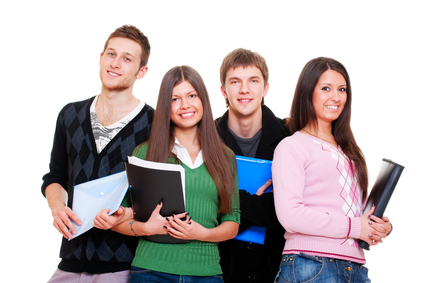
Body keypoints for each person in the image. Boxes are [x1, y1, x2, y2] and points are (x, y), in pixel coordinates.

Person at [94, 65, 241, 282]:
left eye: (192, 95)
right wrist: (145, 227)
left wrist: (202, 233)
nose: (185, 105)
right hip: (151, 271)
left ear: (203, 100)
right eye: (175, 99)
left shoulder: (225, 157)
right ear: (166, 106)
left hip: (206, 273)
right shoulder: (145, 153)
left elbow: (233, 221)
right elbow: (121, 218)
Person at [41, 25, 154, 283]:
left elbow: (157, 196)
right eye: (111, 54)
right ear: (100, 57)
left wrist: (126, 214)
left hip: (123, 266)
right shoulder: (69, 115)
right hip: (70, 261)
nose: (116, 63)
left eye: (127, 58)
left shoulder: (154, 123)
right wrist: (57, 206)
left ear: (142, 71)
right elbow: (55, 176)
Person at [272, 57, 392, 283]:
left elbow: (352, 211)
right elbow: (290, 215)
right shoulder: (291, 147)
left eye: (342, 89)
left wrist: (377, 225)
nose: (335, 97)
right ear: (308, 92)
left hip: (354, 267)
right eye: (326, 88)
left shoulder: (349, 151)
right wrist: (356, 226)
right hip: (311, 263)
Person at [215, 48, 290, 282]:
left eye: (253, 81)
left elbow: (298, 208)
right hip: (219, 269)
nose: (244, 89)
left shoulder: (291, 136)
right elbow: (202, 205)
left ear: (265, 88)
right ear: (223, 91)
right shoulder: (205, 138)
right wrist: (265, 204)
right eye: (235, 81)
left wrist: (231, 203)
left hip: (275, 271)